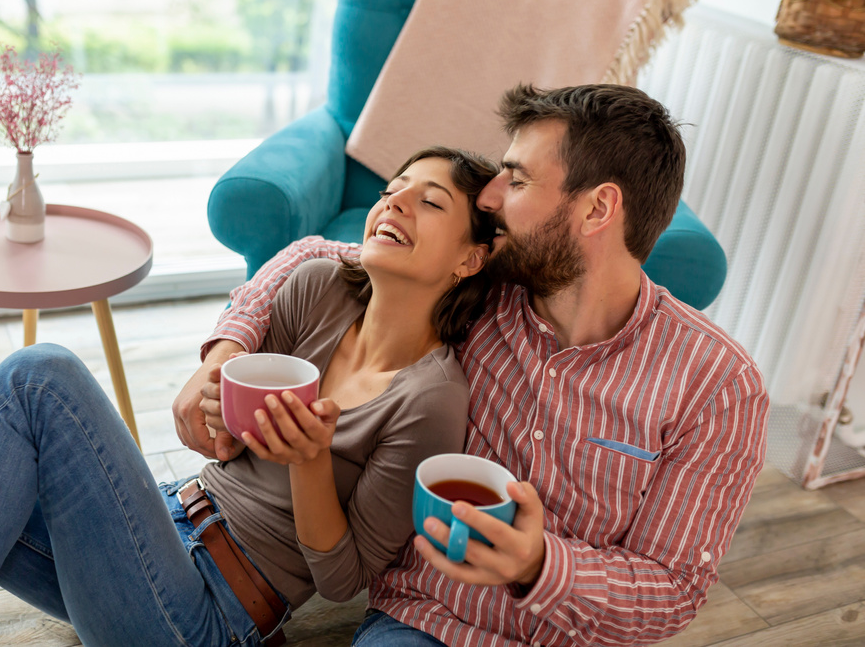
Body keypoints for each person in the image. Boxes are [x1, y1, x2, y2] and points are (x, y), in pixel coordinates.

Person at [0, 147, 498, 647]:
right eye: (389, 189)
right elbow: (227, 441)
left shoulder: (431, 400)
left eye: (427, 200)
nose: (393, 201)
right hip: (155, 529)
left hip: (205, 613)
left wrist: (310, 465)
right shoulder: (317, 292)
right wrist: (217, 414)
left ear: (469, 258)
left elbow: (342, 581)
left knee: (39, 375)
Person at [174, 84, 771, 647]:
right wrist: (226, 348)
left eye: (516, 179)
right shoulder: (479, 292)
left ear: (597, 210)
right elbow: (323, 254)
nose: (489, 196)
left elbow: (674, 589)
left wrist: (540, 564)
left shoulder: (717, 385)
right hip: (420, 617)